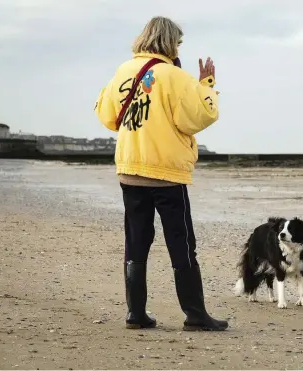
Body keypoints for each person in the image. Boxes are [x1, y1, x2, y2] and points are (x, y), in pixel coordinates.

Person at [94, 16, 227, 331]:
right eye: (178, 42)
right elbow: (201, 116)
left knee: (136, 242)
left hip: (130, 172)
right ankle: (195, 315)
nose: (179, 47)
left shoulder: (124, 70)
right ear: (170, 42)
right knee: (181, 244)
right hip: (166, 174)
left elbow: (106, 114)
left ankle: (135, 314)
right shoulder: (174, 76)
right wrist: (206, 84)